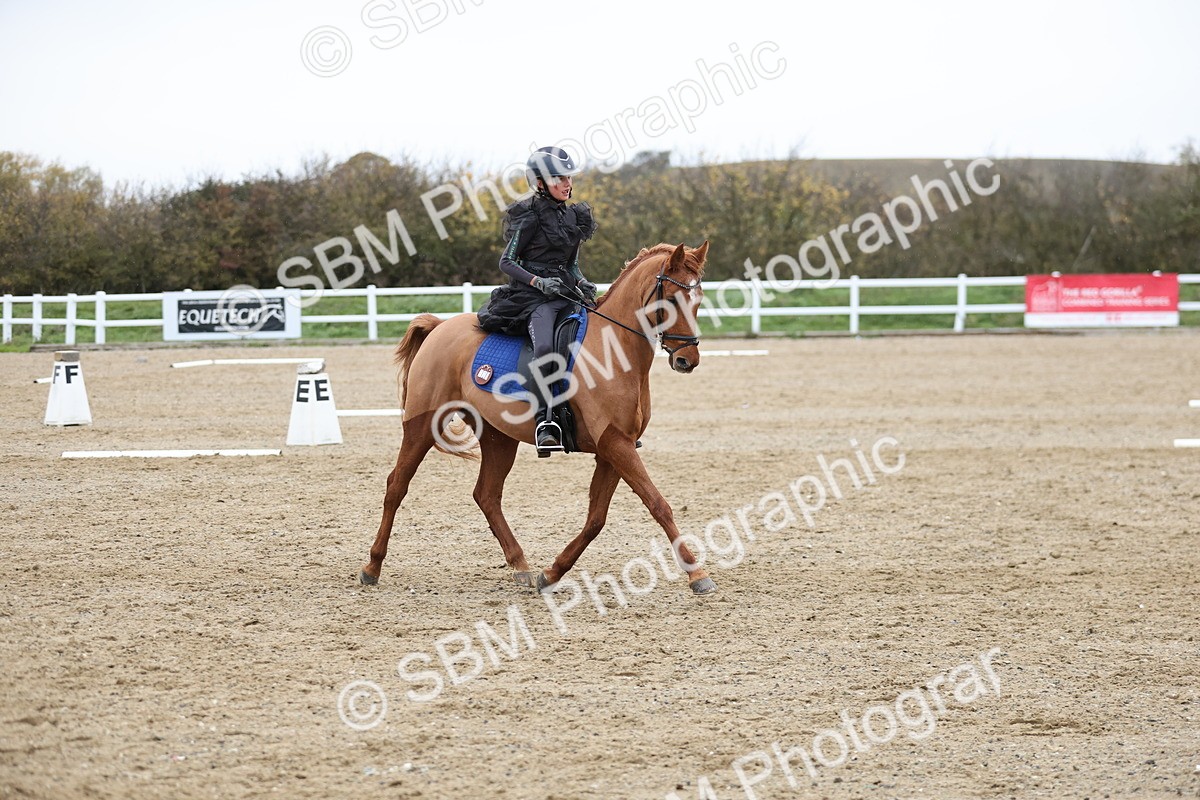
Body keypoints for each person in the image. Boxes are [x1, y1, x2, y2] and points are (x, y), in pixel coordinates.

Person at [477, 146, 598, 455]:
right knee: (544, 347)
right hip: (532, 298)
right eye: (559, 178)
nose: (567, 183)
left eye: (569, 177)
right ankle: (545, 420)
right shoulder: (528, 214)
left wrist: (582, 282)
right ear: (541, 182)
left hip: (566, 293)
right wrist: (537, 281)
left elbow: (570, 265)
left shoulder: (574, 216)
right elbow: (507, 262)